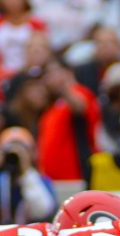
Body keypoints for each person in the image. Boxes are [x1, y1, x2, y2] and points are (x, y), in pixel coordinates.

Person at [0, 126, 57, 226]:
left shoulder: (41, 180)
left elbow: (42, 211)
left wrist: (26, 172)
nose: (15, 157)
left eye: (21, 151)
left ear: (31, 153)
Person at [37, 58, 100, 188]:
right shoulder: (52, 106)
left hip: (75, 179)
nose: (48, 79)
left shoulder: (80, 93)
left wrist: (63, 85)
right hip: (53, 181)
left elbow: (80, 106)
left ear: (68, 72)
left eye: (52, 73)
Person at [0, 0, 46, 78]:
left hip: (31, 75)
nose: (13, 2)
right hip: (2, 76)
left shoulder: (37, 25)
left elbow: (43, 53)